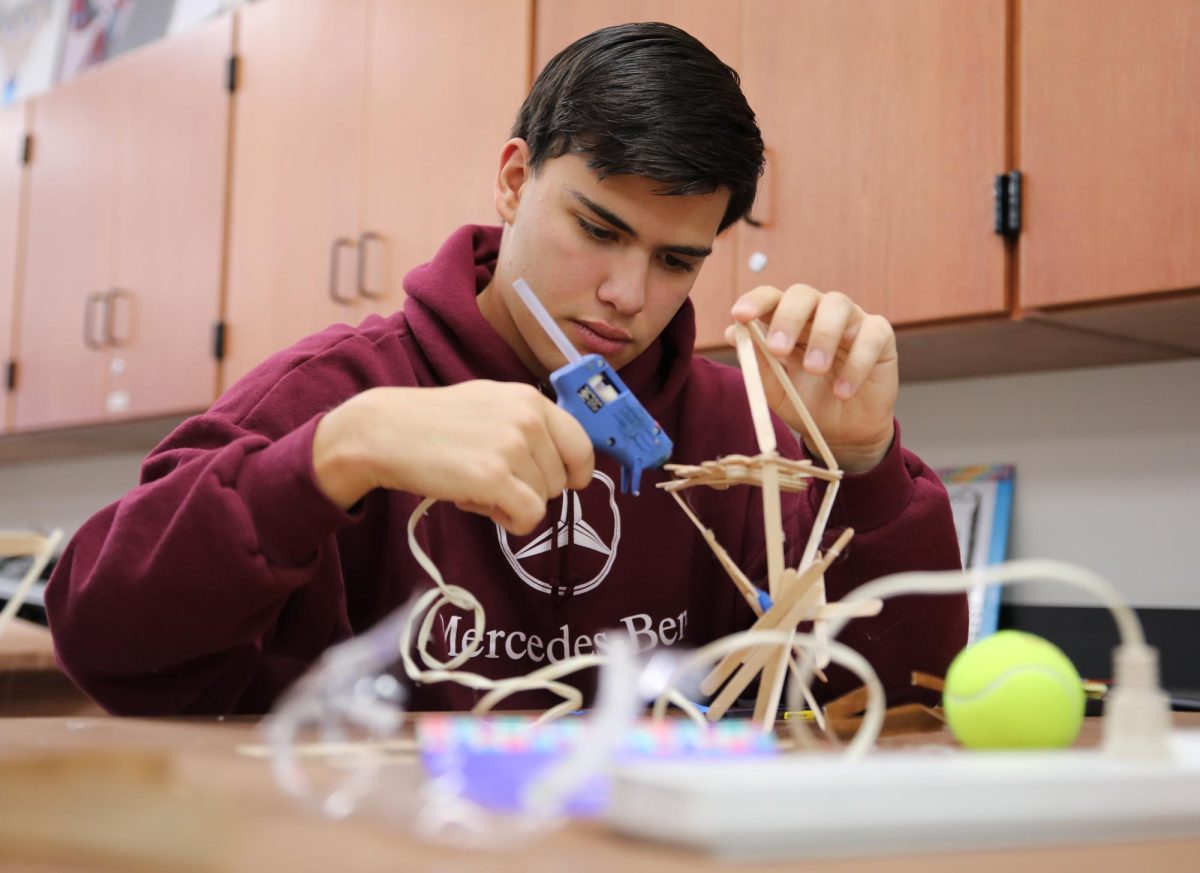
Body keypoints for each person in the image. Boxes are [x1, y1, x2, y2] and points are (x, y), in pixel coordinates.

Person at [45, 22, 966, 715]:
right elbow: (102, 637)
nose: (627, 294)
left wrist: (862, 468)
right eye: (598, 230)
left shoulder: (735, 433)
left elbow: (892, 701)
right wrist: (336, 454)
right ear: (515, 179)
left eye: (677, 260)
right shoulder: (337, 393)